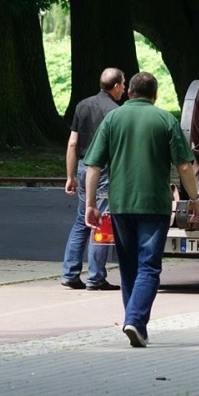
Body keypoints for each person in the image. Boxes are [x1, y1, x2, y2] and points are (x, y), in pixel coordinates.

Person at [83, 72, 199, 347]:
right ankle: (135, 321)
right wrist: (194, 199)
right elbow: (185, 166)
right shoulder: (165, 119)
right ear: (155, 94)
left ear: (128, 93)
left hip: (121, 203)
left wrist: (90, 204)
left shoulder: (112, 119)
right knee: (149, 266)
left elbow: (93, 166)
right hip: (155, 204)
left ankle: (135, 322)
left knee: (128, 267)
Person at [60, 68, 126, 291]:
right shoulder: (115, 112)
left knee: (82, 220)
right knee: (101, 221)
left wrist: (70, 176)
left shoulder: (82, 105)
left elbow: (71, 143)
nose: (124, 89)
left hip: (82, 167)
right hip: (104, 170)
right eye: (123, 85)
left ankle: (70, 273)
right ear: (116, 86)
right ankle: (96, 277)